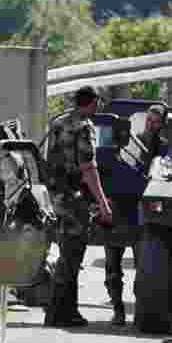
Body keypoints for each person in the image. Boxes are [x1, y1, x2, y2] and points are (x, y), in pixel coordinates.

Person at [43, 85, 113, 327]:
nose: (99, 106)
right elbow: (88, 168)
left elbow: (50, 159)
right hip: (74, 198)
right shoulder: (84, 126)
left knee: (66, 253)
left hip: (56, 195)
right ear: (92, 102)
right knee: (72, 255)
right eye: (98, 102)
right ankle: (59, 313)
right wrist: (103, 203)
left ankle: (65, 311)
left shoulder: (58, 121)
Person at [100, 118, 149, 326]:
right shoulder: (108, 157)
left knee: (139, 271)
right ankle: (120, 311)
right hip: (119, 218)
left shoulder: (133, 156)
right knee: (115, 270)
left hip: (132, 219)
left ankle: (131, 311)